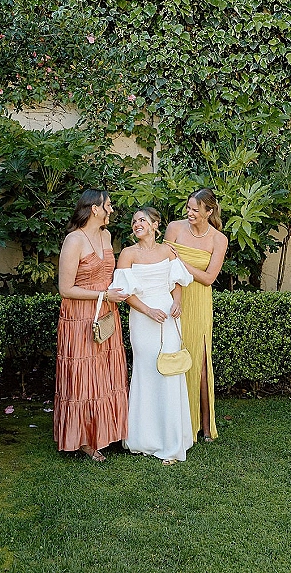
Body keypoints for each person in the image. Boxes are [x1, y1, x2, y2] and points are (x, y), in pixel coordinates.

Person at [110, 207, 194, 464]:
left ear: (156, 224)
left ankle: (172, 441)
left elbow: (177, 281)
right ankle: (144, 438)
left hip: (168, 317)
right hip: (143, 318)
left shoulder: (168, 251)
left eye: (143, 220)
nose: (137, 224)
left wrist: (176, 302)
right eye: (134, 221)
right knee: (147, 371)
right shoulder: (127, 254)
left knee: (169, 372)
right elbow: (124, 292)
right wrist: (147, 310)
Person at [53, 189, 130, 462]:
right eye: (108, 205)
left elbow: (110, 275)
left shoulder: (107, 236)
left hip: (106, 312)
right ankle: (84, 439)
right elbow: (65, 288)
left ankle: (108, 432)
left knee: (105, 373)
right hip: (80, 316)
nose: (111, 210)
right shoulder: (74, 240)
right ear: (94, 209)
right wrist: (102, 295)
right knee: (84, 375)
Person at [164, 188, 228, 443]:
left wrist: (181, 263)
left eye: (195, 209)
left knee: (199, 362)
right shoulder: (174, 229)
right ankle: (176, 423)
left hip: (200, 302)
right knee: (173, 354)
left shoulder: (218, 239)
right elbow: (165, 265)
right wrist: (176, 267)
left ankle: (203, 427)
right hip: (174, 296)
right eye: (188, 208)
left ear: (208, 212)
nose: (189, 213)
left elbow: (209, 278)